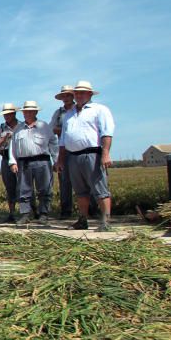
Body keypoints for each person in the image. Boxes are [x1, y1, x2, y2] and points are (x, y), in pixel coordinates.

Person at [56, 80, 115, 232]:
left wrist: (105, 153)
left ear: (89, 94)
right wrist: (61, 159)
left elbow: (106, 133)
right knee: (80, 191)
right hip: (73, 156)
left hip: (92, 153)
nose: (79, 95)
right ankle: (83, 220)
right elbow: (63, 139)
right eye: (77, 93)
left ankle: (106, 221)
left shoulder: (99, 110)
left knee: (100, 189)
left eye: (82, 92)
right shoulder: (69, 114)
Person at [8, 101, 57, 225]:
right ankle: (25, 214)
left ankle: (44, 214)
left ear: (36, 112)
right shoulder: (18, 129)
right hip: (24, 162)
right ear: (22, 113)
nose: (27, 113)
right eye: (25, 111)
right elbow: (12, 147)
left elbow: (53, 143)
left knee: (45, 189)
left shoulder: (44, 126)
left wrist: (56, 160)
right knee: (24, 190)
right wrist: (12, 162)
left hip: (42, 160)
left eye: (30, 111)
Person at [50, 85, 76, 218]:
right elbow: (51, 129)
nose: (66, 98)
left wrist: (63, 131)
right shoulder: (58, 113)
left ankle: (90, 210)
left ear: (73, 96)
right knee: (64, 182)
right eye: (64, 96)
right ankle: (66, 211)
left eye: (68, 95)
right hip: (62, 149)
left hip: (78, 149)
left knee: (84, 180)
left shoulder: (80, 110)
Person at [0, 103, 19, 222]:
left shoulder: (21, 126)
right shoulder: (1, 129)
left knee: (25, 185)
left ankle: (30, 211)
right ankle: (12, 213)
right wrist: (2, 153)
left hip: (21, 157)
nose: (7, 116)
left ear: (14, 113)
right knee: (9, 187)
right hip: (6, 158)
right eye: (5, 114)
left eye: (9, 114)